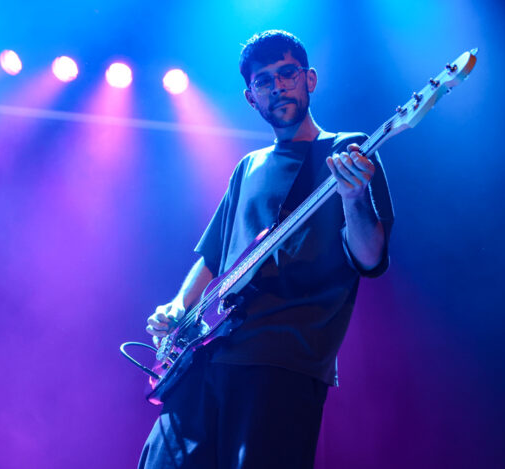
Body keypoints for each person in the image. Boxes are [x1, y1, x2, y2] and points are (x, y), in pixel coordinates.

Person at [139, 30, 394, 469]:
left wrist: (354, 197)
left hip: (283, 362)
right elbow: (213, 258)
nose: (277, 86)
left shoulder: (349, 149)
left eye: (287, 73)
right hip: (205, 357)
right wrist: (178, 308)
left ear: (309, 79)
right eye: (264, 80)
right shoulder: (248, 166)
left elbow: (370, 258)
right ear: (250, 97)